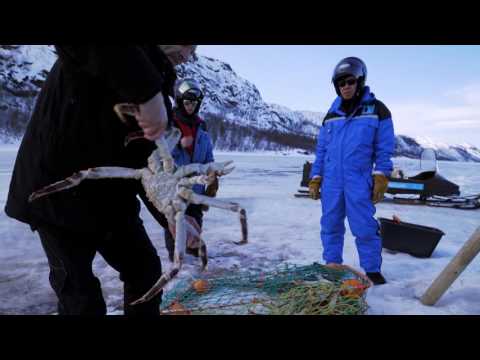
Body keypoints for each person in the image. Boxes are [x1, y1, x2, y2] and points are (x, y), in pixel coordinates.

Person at [4, 45, 196, 315]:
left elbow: (150, 167)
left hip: (113, 201)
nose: (188, 54)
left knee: (145, 270)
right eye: (187, 44)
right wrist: (146, 90)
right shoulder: (101, 57)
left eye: (194, 49)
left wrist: (174, 217)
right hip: (56, 197)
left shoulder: (161, 95)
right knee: (80, 298)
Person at [309, 57, 395, 285]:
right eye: (340, 83)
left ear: (360, 81)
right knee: (330, 225)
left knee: (364, 226)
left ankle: (372, 270)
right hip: (332, 183)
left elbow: (384, 148)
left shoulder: (377, 110)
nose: (345, 86)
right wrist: (315, 178)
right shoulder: (331, 115)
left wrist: (381, 175)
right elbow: (322, 150)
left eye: (349, 81)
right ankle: (332, 265)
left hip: (358, 180)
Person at [163, 78, 218, 262]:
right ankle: (176, 259)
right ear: (179, 101)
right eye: (187, 102)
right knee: (175, 225)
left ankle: (193, 254)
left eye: (194, 103)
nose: (190, 107)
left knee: (195, 220)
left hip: (197, 188)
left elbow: (208, 157)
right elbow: (162, 157)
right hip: (175, 188)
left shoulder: (201, 127)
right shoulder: (168, 125)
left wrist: (212, 174)